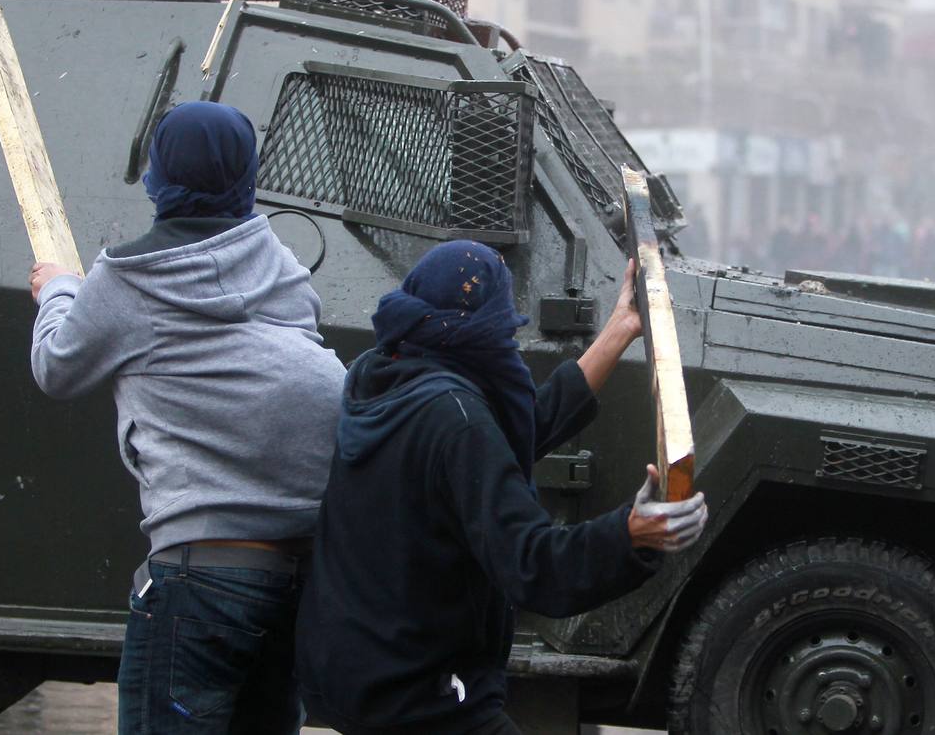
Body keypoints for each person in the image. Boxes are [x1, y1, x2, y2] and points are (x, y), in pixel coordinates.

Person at [296, 241, 709, 735]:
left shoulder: (382, 375)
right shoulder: (457, 421)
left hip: (344, 670)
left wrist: (621, 328)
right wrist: (631, 534)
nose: (509, 339)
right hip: (416, 694)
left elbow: (512, 430)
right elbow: (532, 565)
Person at [27, 101, 346, 734]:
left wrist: (59, 289)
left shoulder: (130, 279)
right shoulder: (277, 261)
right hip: (298, 576)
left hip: (199, 575)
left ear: (160, 172)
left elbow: (57, 367)